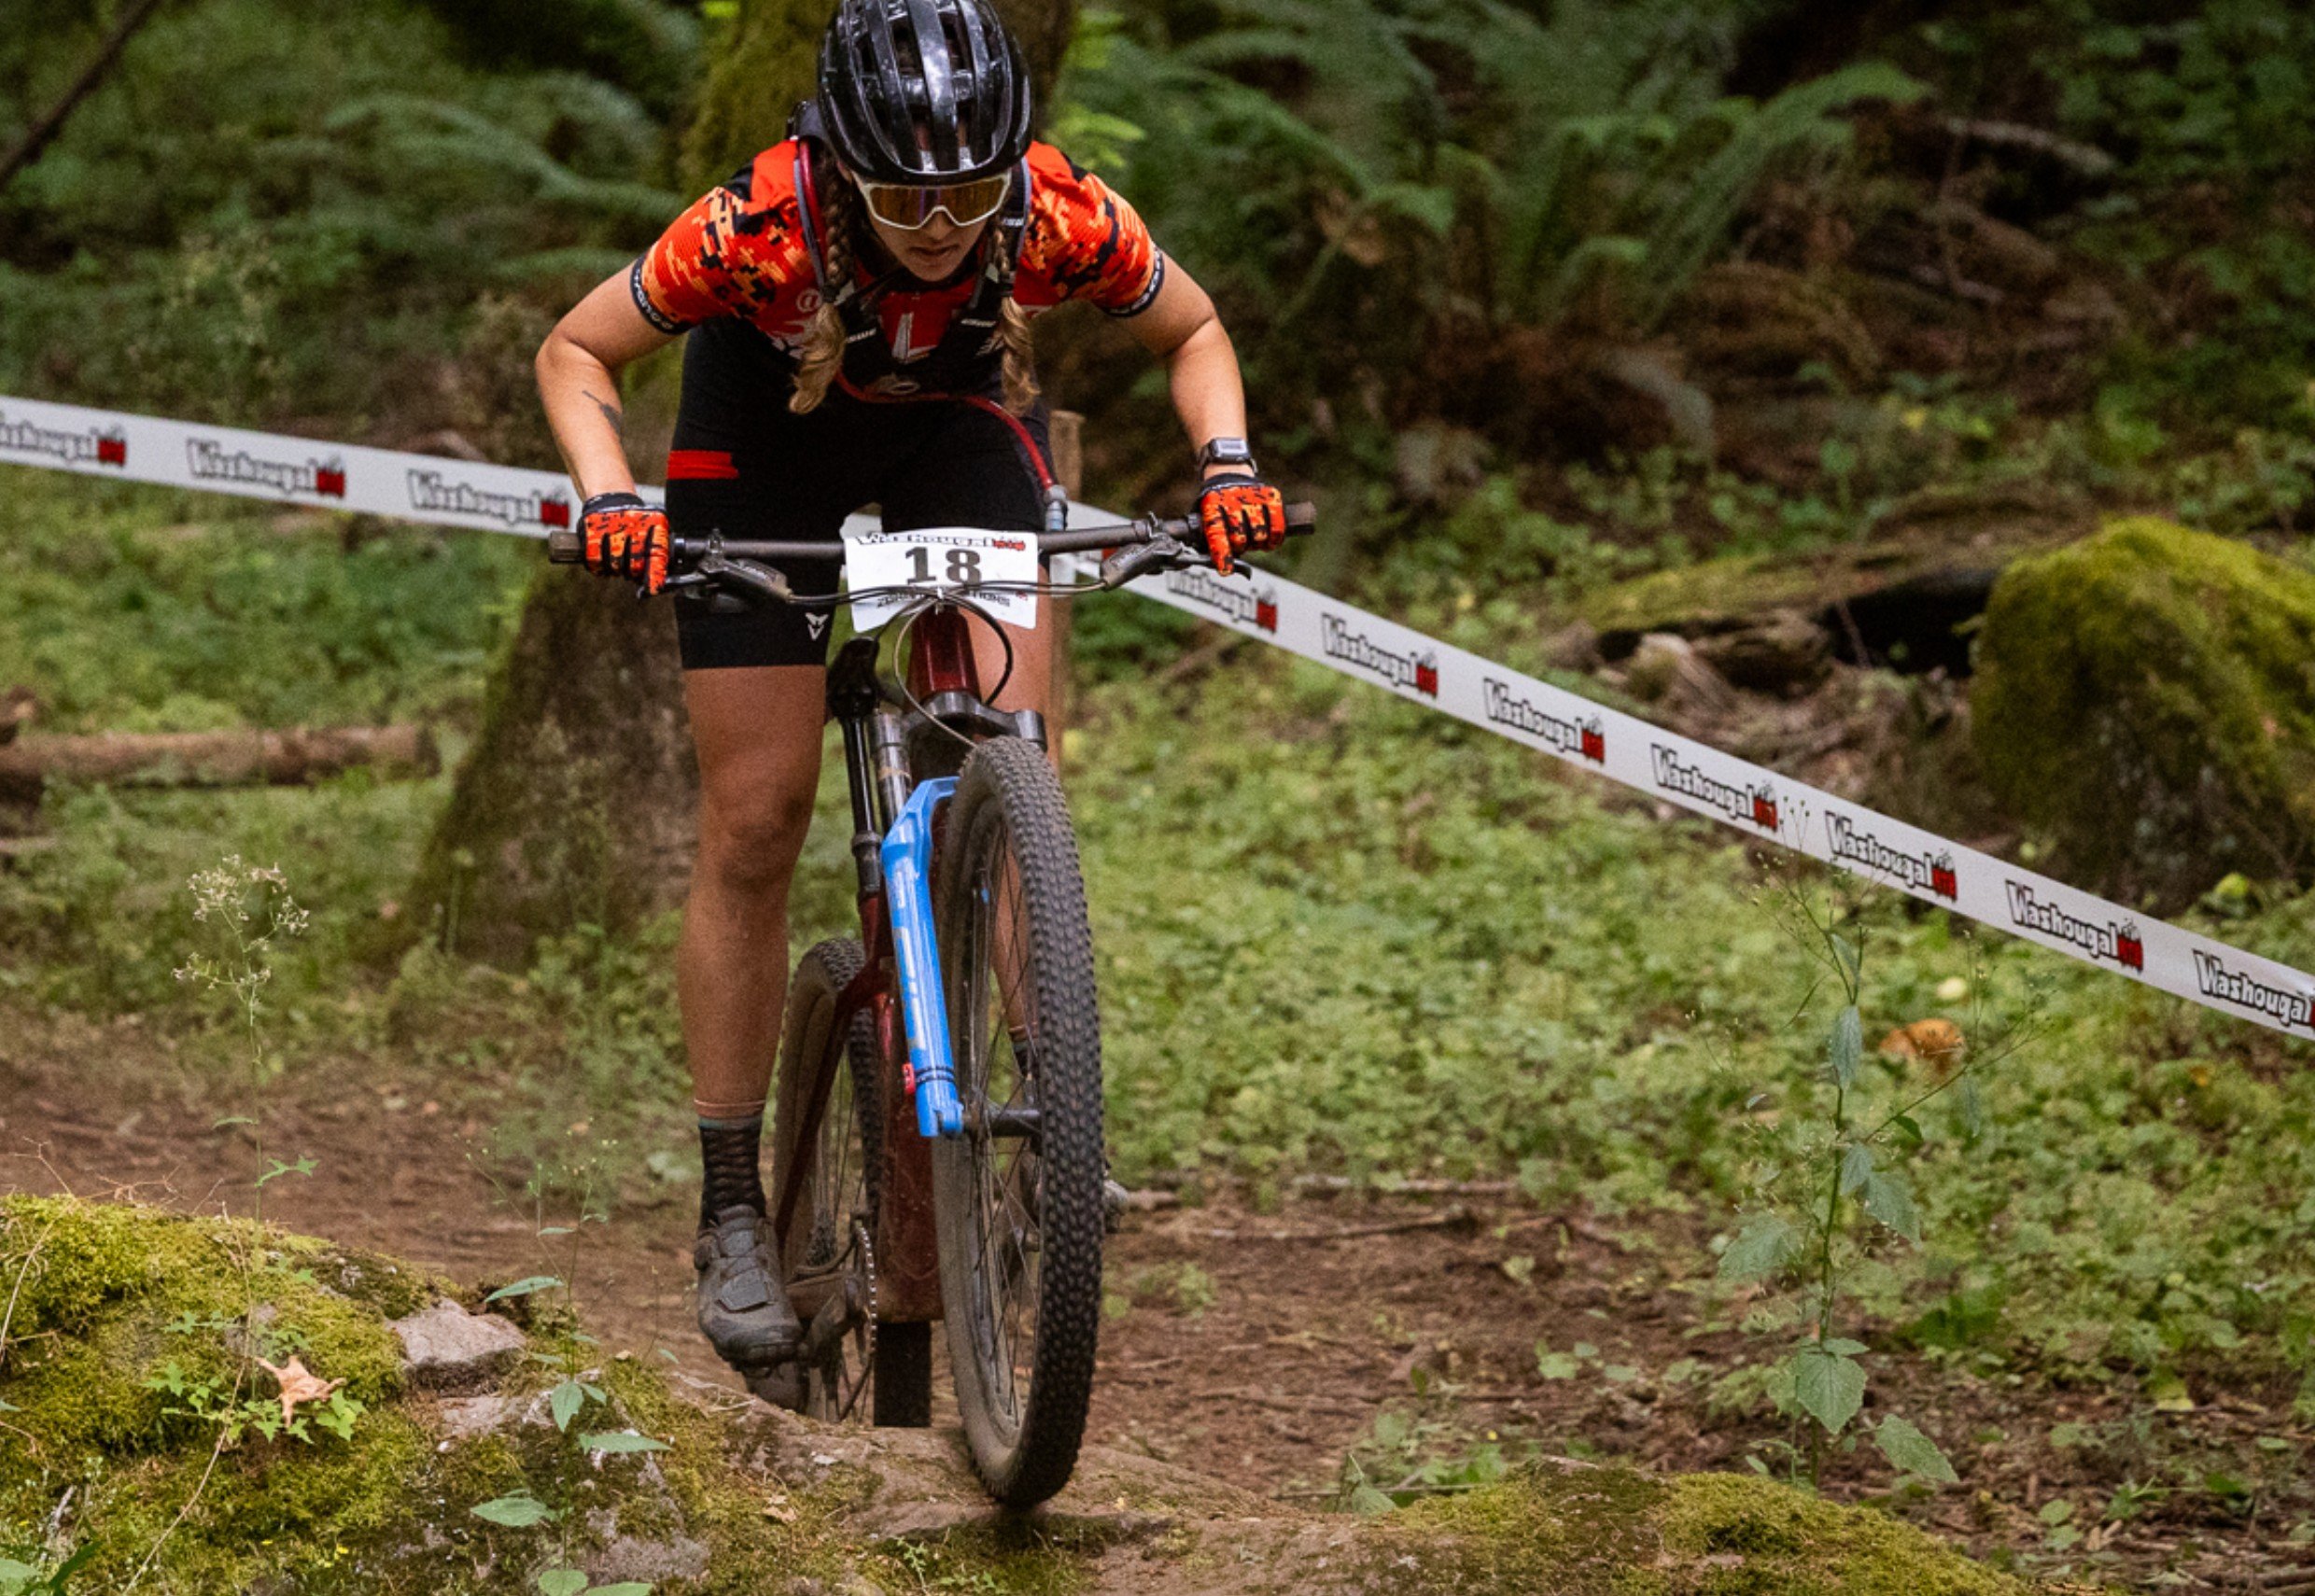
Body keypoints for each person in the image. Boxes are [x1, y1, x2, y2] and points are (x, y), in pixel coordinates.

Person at [533, 0, 1287, 1376]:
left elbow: (1196, 330)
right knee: (757, 819)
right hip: (763, 452)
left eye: (968, 196)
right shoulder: (752, 225)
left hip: (957, 437)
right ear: (840, 166)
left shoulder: (1052, 207)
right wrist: (610, 497)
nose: (940, 226)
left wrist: (1227, 465)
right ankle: (731, 1206)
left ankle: (1052, 1118)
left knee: (1010, 758)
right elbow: (575, 352)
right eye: (901, 198)